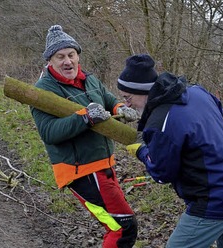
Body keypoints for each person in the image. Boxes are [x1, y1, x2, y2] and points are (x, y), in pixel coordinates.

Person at [120, 54, 223, 247]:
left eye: (128, 98)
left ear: (143, 91)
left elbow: (162, 173)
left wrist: (141, 151)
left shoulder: (160, 123)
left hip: (215, 198)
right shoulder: (196, 92)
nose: (127, 104)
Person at [30, 25, 140, 248]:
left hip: (103, 165)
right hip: (81, 170)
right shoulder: (42, 91)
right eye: (60, 57)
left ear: (78, 55)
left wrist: (120, 108)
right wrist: (85, 117)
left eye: (71, 55)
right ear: (50, 61)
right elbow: (49, 133)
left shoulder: (89, 79)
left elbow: (108, 100)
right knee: (122, 227)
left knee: (120, 225)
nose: (67, 61)